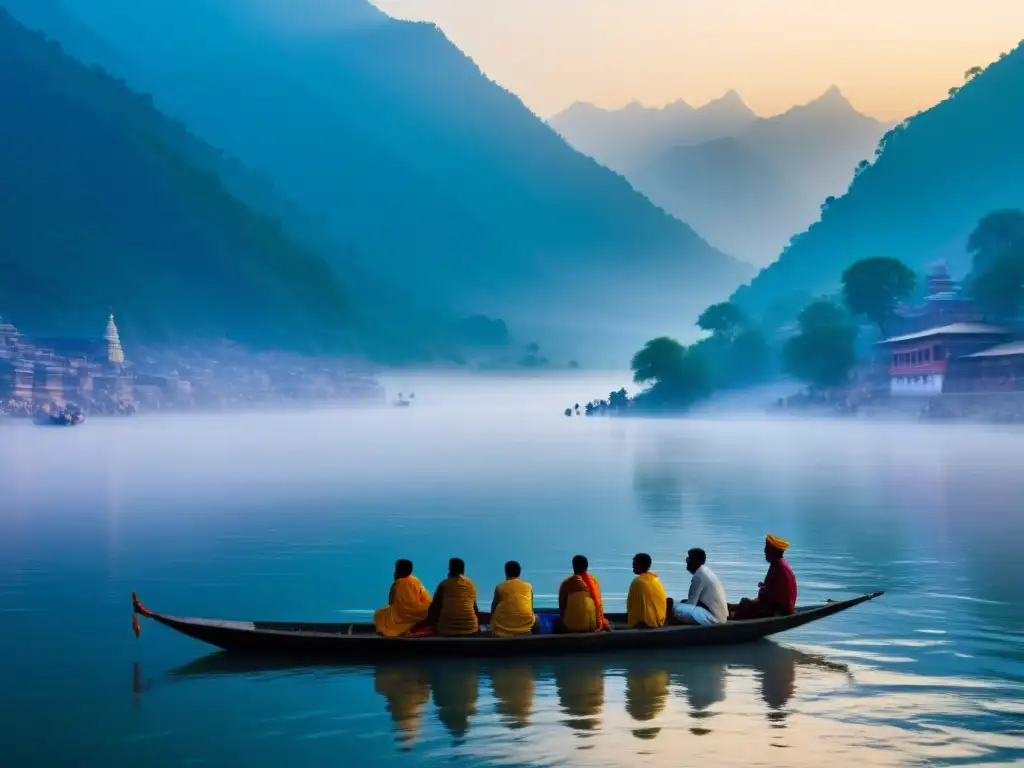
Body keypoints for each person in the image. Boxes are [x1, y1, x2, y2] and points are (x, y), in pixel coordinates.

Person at [729, 534, 798, 620]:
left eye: (767, 548)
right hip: (773, 606)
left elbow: (774, 597)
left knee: (745, 603)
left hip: (778, 611)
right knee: (743, 603)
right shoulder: (776, 564)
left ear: (775, 551)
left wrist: (761, 594)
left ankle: (732, 622)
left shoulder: (781, 568)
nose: (765, 551)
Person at [373, 559, 432, 637]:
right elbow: (427, 599)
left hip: (400, 615)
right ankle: (416, 627)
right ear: (411, 570)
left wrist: (395, 581)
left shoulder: (397, 584)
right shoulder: (415, 581)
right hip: (418, 613)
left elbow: (391, 602)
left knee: (379, 613)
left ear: (397, 571)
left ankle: (405, 628)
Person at [671, 548, 729, 626]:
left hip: (714, 619)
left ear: (696, 561)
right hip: (717, 615)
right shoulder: (705, 571)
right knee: (679, 604)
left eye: (689, 558)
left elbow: (692, 604)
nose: (687, 560)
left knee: (676, 609)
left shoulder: (699, 575)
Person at [424, 558, 480, 636]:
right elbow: (474, 607)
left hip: (447, 630)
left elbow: (434, 607)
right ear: (463, 570)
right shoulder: (471, 584)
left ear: (449, 569)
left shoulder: (444, 584)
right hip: (471, 629)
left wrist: (427, 623)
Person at [557, 554, 611, 632]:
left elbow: (562, 606)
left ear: (573, 566)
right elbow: (599, 604)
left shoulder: (567, 583)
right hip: (594, 626)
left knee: (557, 624)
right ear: (587, 567)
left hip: (573, 627)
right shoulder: (594, 581)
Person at [490, 560, 537, 636]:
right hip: (525, 626)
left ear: (506, 572)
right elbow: (530, 607)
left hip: (502, 628)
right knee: (537, 619)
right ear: (519, 572)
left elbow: (493, 607)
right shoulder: (528, 586)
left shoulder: (500, 587)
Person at [626, 553, 667, 628]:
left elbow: (632, 606)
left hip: (645, 624)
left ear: (640, 565)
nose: (632, 565)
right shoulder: (656, 579)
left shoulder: (638, 581)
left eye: (634, 563)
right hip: (660, 621)